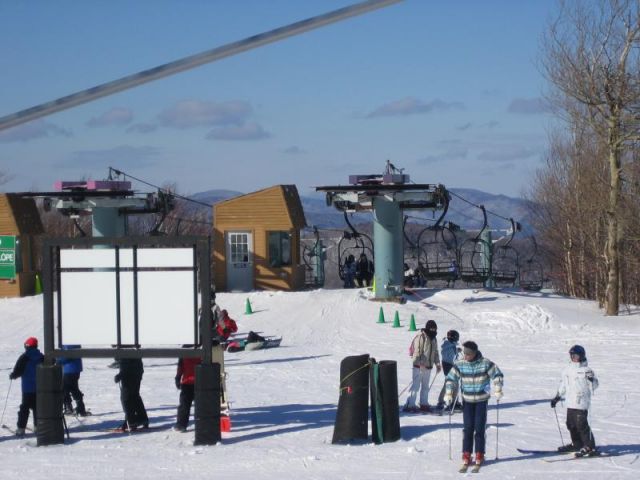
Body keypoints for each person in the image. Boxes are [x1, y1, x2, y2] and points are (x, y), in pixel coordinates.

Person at [444, 341, 503, 469]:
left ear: (474, 353)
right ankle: (466, 453)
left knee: (480, 428)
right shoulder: (460, 364)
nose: (465, 356)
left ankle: (479, 454)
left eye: (468, 354)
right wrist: (449, 392)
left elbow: (497, 374)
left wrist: (498, 388)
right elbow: (450, 378)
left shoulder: (485, 363)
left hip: (482, 400)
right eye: (464, 353)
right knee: (468, 428)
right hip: (467, 401)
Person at [550, 345, 599, 457]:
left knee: (581, 424)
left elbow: (595, 385)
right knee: (570, 424)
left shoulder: (586, 370)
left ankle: (589, 446)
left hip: (581, 402)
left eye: (576, 355)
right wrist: (557, 397)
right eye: (572, 356)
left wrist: (592, 380)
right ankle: (577, 444)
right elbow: (563, 385)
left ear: (581, 356)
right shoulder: (567, 370)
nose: (573, 358)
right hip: (570, 402)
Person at [404, 320, 441, 413]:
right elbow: (418, 351)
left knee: (425, 386)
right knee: (415, 386)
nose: (433, 330)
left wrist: (437, 363)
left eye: (435, 329)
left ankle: (424, 403)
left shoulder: (434, 338)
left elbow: (435, 352)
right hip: (418, 366)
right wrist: (420, 363)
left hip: (428, 366)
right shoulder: (421, 337)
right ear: (428, 328)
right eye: (432, 328)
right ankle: (410, 404)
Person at [9, 337, 44, 436]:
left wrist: (13, 375)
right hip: (40, 388)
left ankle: (21, 428)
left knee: (24, 408)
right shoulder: (41, 356)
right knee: (38, 408)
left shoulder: (24, 357)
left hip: (27, 388)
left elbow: (18, 370)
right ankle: (38, 426)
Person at [114, 358, 149, 431]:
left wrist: (120, 375)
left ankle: (131, 421)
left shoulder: (123, 351)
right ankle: (143, 419)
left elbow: (126, 364)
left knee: (126, 398)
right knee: (135, 396)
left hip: (129, 375)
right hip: (137, 371)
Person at [56, 344, 88, 416]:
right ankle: (80, 408)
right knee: (74, 388)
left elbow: (67, 356)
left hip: (70, 370)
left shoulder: (70, 344)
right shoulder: (74, 344)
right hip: (74, 369)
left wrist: (57, 360)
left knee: (64, 389)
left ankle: (69, 407)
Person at [173, 356, 202, 432]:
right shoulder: (185, 350)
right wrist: (178, 377)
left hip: (200, 382)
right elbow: (180, 366)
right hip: (187, 383)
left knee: (200, 406)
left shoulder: (202, 348)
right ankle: (181, 424)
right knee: (184, 405)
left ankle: (201, 424)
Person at [437, 330, 462, 410]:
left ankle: (454, 401)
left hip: (449, 365)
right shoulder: (449, 346)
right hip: (449, 366)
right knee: (449, 384)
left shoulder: (448, 345)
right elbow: (451, 357)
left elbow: (450, 354)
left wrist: (456, 350)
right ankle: (442, 401)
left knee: (455, 384)